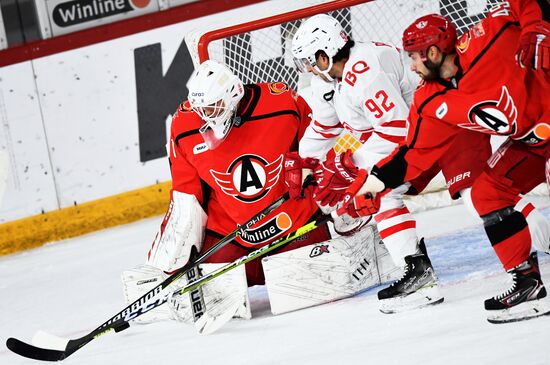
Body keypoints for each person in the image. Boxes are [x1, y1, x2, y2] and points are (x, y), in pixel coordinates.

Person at [121, 60, 394, 332]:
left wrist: (338, 204)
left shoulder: (283, 104)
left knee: (323, 281)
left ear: (233, 95)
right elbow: (186, 199)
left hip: (296, 227)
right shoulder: (184, 126)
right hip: (233, 236)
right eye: (200, 108)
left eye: (212, 107)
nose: (205, 116)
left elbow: (320, 154)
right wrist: (166, 265)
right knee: (199, 284)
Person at [342, 0, 550, 323]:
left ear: (433, 54)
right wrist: (373, 183)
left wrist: (537, 26)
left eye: (413, 57)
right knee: (485, 194)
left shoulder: (486, 39)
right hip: (530, 143)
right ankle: (528, 284)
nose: (410, 67)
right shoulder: (429, 100)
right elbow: (411, 155)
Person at [289, 13, 497, 313]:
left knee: (482, 201)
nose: (307, 69)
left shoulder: (364, 71)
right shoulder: (332, 78)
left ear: (324, 55)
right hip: (418, 142)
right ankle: (419, 275)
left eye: (309, 61)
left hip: (448, 127)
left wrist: (349, 164)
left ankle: (533, 242)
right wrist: (304, 161)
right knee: (381, 193)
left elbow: (397, 129)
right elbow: (325, 125)